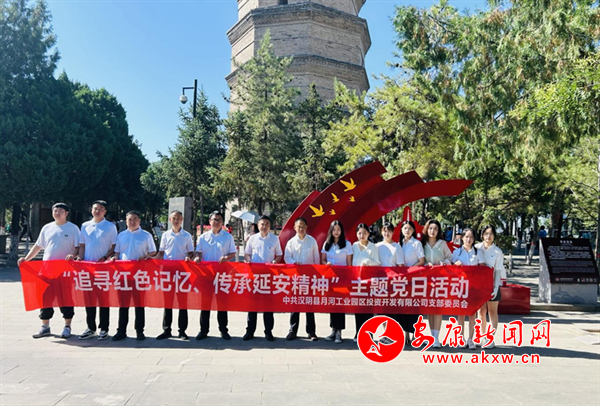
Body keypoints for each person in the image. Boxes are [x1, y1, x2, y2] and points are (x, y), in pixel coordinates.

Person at [18, 203, 80, 339]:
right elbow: (38, 246)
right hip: (47, 269)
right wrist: (26, 259)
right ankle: (45, 326)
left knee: (65, 298)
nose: (57, 213)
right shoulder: (47, 228)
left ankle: (67, 326)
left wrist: (73, 255)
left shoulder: (73, 228)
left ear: (66, 213)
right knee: (45, 298)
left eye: (60, 211)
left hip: (65, 270)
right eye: (55, 210)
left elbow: (77, 247)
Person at [109, 211, 157, 341]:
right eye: (130, 219)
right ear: (126, 221)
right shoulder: (121, 235)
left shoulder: (146, 235)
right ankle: (121, 331)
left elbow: (153, 252)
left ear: (139, 221)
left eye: (135, 219)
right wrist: (114, 258)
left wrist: (146, 256)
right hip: (123, 274)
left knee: (139, 304)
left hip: (139, 274)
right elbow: (117, 253)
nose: (132, 222)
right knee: (123, 304)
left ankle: (139, 331)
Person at [77, 200, 118, 340]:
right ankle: (90, 327)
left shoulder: (110, 227)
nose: (97, 211)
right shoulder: (85, 226)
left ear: (105, 212)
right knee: (89, 299)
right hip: (87, 267)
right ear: (91, 210)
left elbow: (114, 246)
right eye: (95, 208)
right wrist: (80, 258)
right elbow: (82, 245)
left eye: (101, 209)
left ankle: (104, 328)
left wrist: (105, 257)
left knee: (103, 299)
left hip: (103, 268)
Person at [151, 210, 194, 340]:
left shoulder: (186, 236)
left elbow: (191, 252)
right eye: (174, 218)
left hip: (182, 272)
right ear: (170, 220)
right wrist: (150, 259)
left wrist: (189, 257)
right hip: (168, 272)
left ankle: (182, 331)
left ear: (182, 220)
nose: (176, 220)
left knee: (182, 302)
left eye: (179, 218)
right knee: (168, 302)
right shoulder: (165, 235)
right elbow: (161, 253)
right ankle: (166, 330)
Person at [195, 211, 237, 340]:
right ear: (210, 221)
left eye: (219, 220)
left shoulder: (228, 237)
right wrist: (197, 257)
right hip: (206, 275)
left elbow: (233, 253)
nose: (217, 222)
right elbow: (198, 252)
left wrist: (226, 258)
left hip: (222, 275)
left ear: (222, 222)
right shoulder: (203, 237)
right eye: (214, 219)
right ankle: (203, 330)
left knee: (222, 304)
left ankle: (223, 330)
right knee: (205, 304)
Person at [243, 215, 282, 341]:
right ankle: (250, 331)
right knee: (252, 306)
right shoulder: (252, 238)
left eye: (267, 224)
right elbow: (247, 253)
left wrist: (275, 261)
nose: (264, 226)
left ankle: (268, 332)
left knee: (268, 306)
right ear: (258, 225)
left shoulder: (275, 239)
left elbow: (279, 255)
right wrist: (248, 260)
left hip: (269, 276)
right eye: (262, 224)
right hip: (254, 276)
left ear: (270, 226)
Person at [284, 217, 320, 341]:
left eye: (303, 226)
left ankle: (311, 331)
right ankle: (292, 331)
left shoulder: (312, 241)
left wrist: (315, 275)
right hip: (296, 278)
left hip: (309, 278)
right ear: (295, 228)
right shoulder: (291, 242)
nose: (301, 228)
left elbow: (316, 259)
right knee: (295, 305)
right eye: (298, 226)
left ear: (306, 227)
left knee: (309, 305)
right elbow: (287, 258)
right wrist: (294, 263)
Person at [451, 228, 485, 350]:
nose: (468, 239)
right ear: (462, 238)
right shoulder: (457, 252)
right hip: (460, 286)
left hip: (473, 287)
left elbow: (482, 269)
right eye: (466, 237)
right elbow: (451, 268)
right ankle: (461, 337)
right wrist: (455, 265)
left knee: (472, 313)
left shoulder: (478, 252)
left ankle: (471, 338)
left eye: (471, 237)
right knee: (461, 313)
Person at [321, 220, 352, 344]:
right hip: (330, 278)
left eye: (338, 229)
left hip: (342, 278)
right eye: (334, 229)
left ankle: (339, 332)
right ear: (331, 231)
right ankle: (333, 330)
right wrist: (326, 264)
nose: (336, 232)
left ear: (341, 231)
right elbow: (322, 260)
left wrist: (348, 278)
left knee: (340, 305)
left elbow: (349, 263)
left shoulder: (347, 244)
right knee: (332, 304)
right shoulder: (327, 243)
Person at [422, 219, 452, 348]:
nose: (432, 231)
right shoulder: (422, 244)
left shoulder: (442, 244)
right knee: (430, 308)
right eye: (430, 228)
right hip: (427, 280)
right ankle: (432, 335)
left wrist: (445, 263)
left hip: (440, 279)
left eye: (435, 229)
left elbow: (450, 257)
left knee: (438, 307)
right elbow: (419, 259)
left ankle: (437, 337)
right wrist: (425, 264)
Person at [475, 225, 505, 349]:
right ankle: (482, 337)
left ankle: (490, 338)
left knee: (492, 312)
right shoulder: (477, 248)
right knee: (481, 312)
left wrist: (496, 287)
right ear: (482, 235)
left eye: (491, 234)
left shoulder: (497, 252)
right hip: (479, 285)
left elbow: (498, 271)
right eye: (486, 234)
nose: (488, 236)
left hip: (492, 285)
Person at [352, 223, 380, 342]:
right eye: (359, 233)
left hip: (369, 282)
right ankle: (358, 332)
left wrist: (368, 261)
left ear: (368, 234)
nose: (362, 235)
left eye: (364, 233)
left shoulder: (373, 247)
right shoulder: (353, 246)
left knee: (368, 308)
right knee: (358, 308)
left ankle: (368, 334)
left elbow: (378, 263)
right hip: (356, 281)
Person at [399, 220, 425, 343]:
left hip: (414, 277)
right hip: (402, 279)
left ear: (413, 230)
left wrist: (410, 270)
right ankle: (405, 335)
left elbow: (421, 260)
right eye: (405, 228)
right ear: (401, 230)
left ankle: (414, 334)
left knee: (414, 306)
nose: (407, 231)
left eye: (409, 228)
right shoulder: (399, 244)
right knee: (403, 306)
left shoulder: (417, 243)